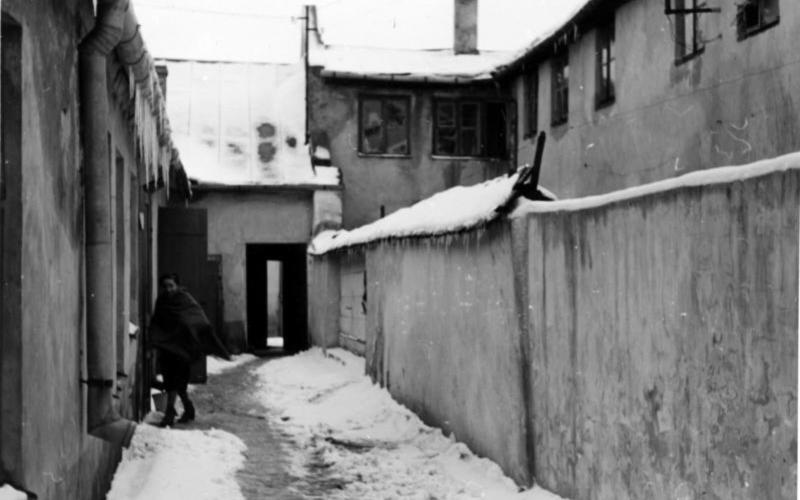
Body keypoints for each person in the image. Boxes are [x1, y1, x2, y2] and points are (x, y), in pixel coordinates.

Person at [150, 273, 228, 426]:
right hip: (167, 348)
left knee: (177, 382)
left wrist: (192, 333)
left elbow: (198, 319)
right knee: (172, 382)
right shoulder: (161, 301)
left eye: (171, 286)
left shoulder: (185, 299)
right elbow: (157, 321)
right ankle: (187, 408)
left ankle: (170, 413)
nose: (168, 289)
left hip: (182, 348)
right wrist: (155, 339)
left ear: (177, 286)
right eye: (165, 286)